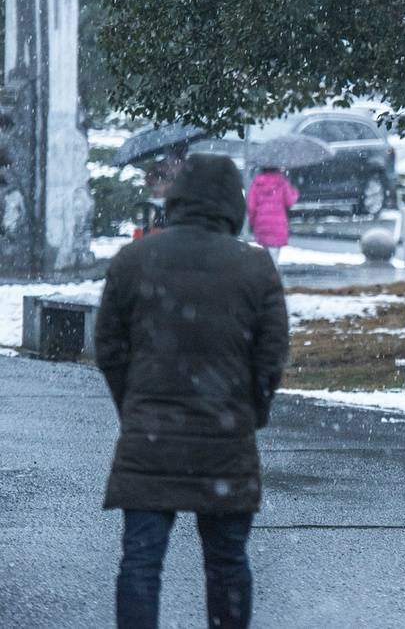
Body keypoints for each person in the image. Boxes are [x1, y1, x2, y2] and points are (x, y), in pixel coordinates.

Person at [95, 154, 290, 629]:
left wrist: (134, 406)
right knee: (226, 562)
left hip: (149, 437)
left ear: (178, 198)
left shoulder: (135, 259)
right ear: (232, 205)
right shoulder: (254, 266)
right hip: (225, 438)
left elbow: (107, 345)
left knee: (141, 562)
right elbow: (271, 355)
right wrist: (251, 410)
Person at [246, 166, 299, 263]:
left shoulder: (256, 183)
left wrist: (252, 222)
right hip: (278, 224)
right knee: (274, 256)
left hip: (261, 223)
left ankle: (268, 272)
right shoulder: (282, 183)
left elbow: (251, 206)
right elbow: (289, 202)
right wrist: (294, 192)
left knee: (267, 254)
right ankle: (273, 274)